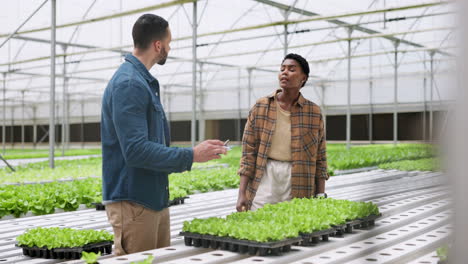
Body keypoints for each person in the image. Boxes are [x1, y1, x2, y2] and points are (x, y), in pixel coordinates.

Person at [101, 14, 227, 256]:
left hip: (152, 199)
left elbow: (150, 143)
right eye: (169, 42)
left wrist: (193, 152)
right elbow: (136, 151)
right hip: (134, 202)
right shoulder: (129, 84)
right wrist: (192, 155)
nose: (170, 47)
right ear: (158, 45)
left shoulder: (142, 82)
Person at [236, 53, 329, 212]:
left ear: (303, 78)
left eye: (291, 69)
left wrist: (320, 194)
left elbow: (320, 157)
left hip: (299, 176)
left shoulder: (313, 112)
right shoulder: (261, 107)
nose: (284, 73)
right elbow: (248, 152)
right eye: (282, 69)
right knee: (260, 220)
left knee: (294, 224)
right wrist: (241, 193)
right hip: (266, 174)